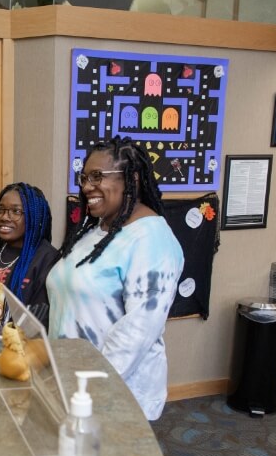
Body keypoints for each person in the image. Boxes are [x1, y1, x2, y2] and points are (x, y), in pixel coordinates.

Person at [47, 136, 184, 421]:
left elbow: (136, 333)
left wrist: (89, 390)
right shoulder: (95, 229)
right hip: (71, 382)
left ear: (131, 179)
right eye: (84, 177)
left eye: (98, 176)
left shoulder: (151, 239)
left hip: (116, 397)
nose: (87, 187)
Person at [0, 182, 59, 344]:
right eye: (0, 210)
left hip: (19, 354)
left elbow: (39, 322)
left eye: (15, 211)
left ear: (33, 216)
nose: (4, 217)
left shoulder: (46, 258)